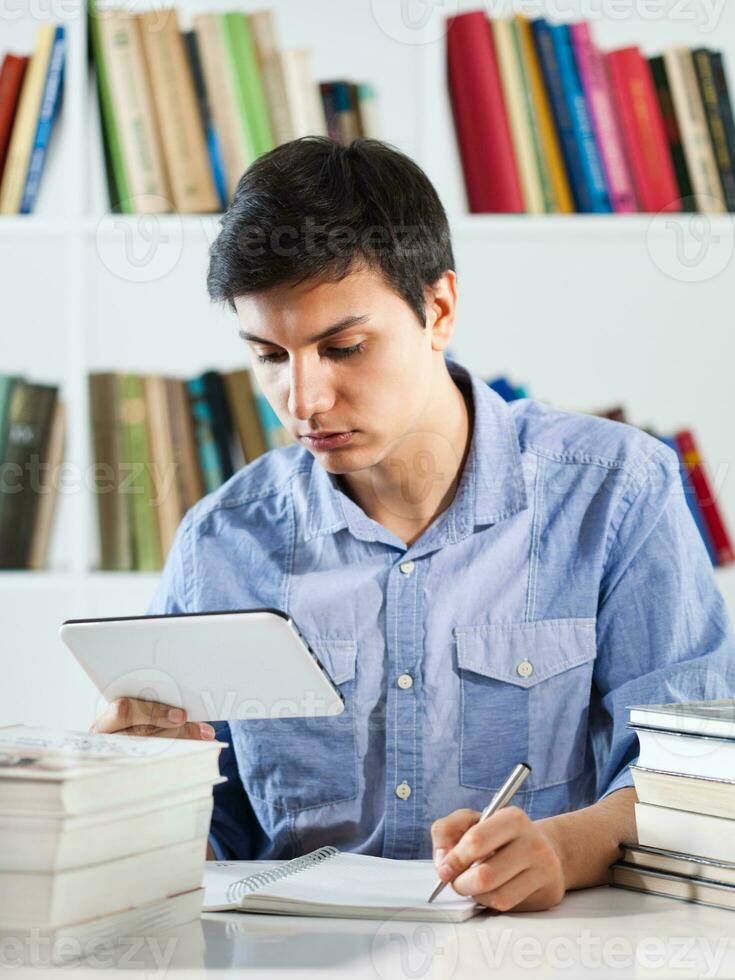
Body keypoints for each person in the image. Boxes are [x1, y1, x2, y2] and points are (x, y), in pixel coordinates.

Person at [91, 136, 735, 913]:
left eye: (344, 348)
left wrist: (564, 848)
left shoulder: (616, 495)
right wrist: (131, 795)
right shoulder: (220, 543)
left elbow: (693, 783)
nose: (304, 400)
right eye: (268, 354)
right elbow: (207, 848)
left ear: (438, 310)